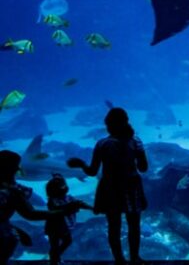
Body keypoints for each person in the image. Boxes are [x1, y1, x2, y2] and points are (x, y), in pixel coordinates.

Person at [67, 107, 149, 264]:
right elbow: (143, 168)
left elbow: (92, 171)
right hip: (131, 186)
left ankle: (119, 260)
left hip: (110, 187)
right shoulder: (136, 141)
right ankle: (135, 258)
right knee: (134, 225)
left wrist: (80, 164)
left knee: (114, 225)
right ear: (126, 122)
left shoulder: (102, 144)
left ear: (109, 126)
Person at [1, 151, 80, 265]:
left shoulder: (13, 189)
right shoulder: (12, 191)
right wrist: (64, 211)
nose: (18, 169)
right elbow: (31, 214)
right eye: (15, 167)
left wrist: (16, 230)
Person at [44, 174, 91, 265]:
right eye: (61, 187)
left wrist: (91, 208)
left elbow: (79, 203)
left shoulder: (69, 197)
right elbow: (57, 208)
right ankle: (54, 260)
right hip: (53, 227)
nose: (63, 188)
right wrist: (72, 206)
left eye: (63, 186)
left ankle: (55, 256)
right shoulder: (52, 200)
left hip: (65, 226)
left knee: (67, 241)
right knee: (55, 245)